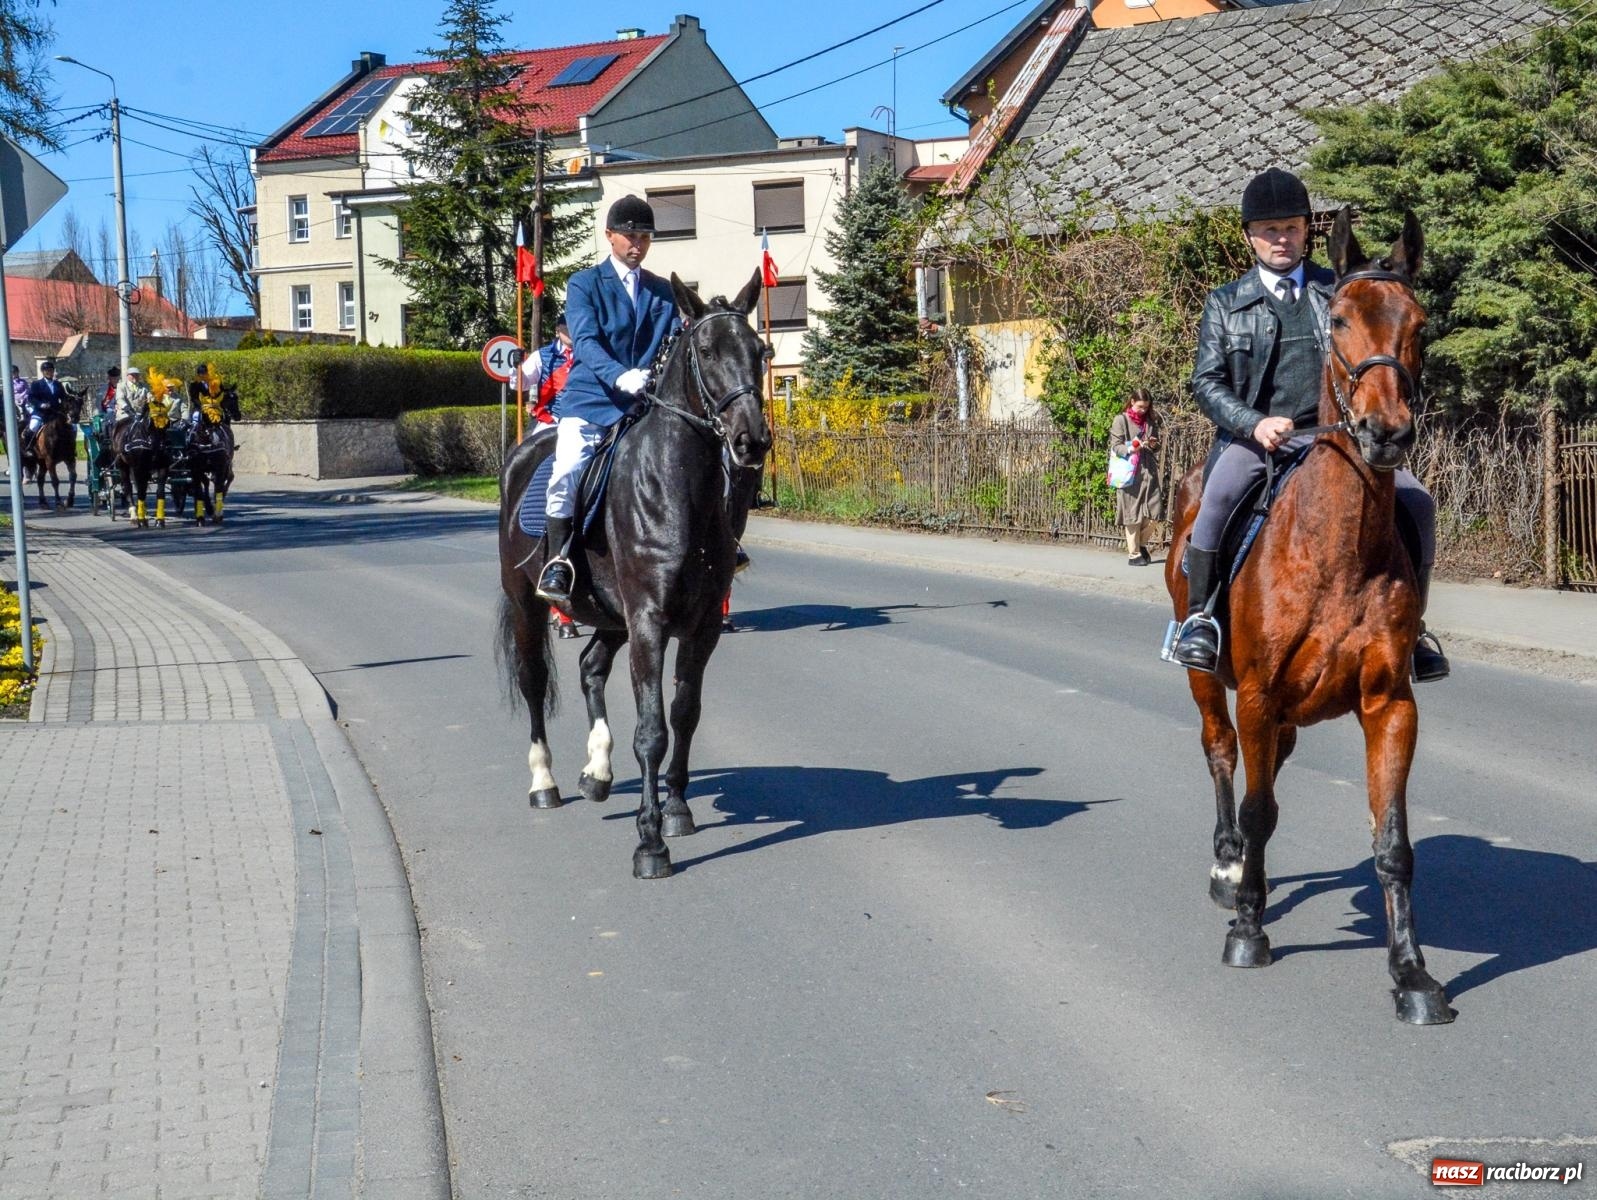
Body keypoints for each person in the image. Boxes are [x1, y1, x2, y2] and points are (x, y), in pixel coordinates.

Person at [1169, 167, 1448, 682]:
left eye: (1292, 228)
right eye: (1270, 230)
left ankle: (1415, 631)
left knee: (1417, 503)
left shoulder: (1338, 291)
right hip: (1258, 441)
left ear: (1307, 232)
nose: (1282, 239)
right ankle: (1201, 620)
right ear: (1251, 236)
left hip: (1340, 437)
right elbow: (1206, 383)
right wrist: (1253, 423)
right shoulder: (1225, 304)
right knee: (1216, 501)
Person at [535, 195, 680, 607]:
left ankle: (719, 538)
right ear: (610, 236)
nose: (638, 244)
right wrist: (620, 375)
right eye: (630, 235)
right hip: (593, 400)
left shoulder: (664, 290)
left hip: (646, 405)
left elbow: (673, 340)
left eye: (645, 237)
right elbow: (585, 341)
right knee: (568, 470)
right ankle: (559, 559)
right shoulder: (584, 283)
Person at [1110, 388, 1164, 565]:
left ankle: (1141, 545)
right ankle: (1133, 555)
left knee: (1155, 513)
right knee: (1132, 514)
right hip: (1129, 474)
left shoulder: (1151, 421)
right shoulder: (1121, 420)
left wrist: (1154, 444)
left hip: (1149, 473)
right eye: (1140, 406)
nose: (1143, 410)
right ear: (1132, 402)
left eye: (1146, 407)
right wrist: (1131, 449)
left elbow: (1156, 446)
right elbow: (1116, 446)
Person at [520, 314, 575, 428]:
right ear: (558, 329)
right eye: (567, 326)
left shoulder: (591, 355)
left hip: (584, 418)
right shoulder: (541, 355)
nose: (571, 329)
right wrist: (517, 368)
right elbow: (525, 384)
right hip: (550, 419)